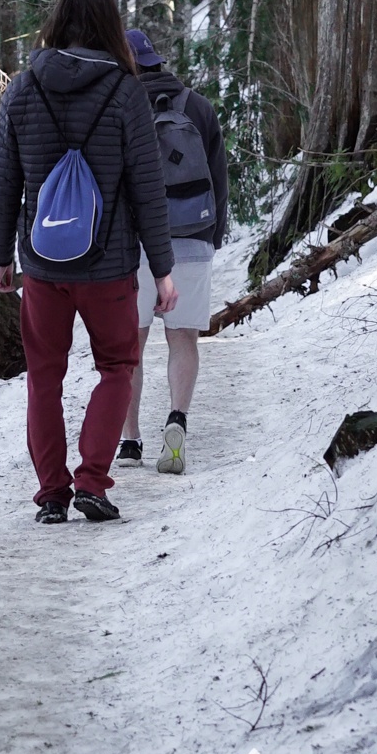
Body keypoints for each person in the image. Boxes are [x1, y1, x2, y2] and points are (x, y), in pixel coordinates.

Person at [0, 0, 178, 525]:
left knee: (43, 377)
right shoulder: (125, 92)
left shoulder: (22, 90)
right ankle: (92, 482)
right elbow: (147, 188)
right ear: (110, 28)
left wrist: (2, 256)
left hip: (43, 267)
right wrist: (163, 269)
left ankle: (51, 494)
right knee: (117, 367)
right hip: (110, 266)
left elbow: (4, 183)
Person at [117, 28, 229, 475]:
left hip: (136, 245)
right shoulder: (197, 106)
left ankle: (129, 441)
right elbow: (219, 178)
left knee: (131, 347)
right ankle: (176, 420)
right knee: (182, 339)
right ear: (156, 60)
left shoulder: (121, 106)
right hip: (192, 237)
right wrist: (211, 236)